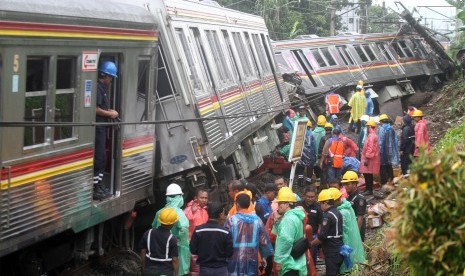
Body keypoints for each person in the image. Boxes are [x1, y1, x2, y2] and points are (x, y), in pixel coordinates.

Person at [225, 193, 273, 275]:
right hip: (252, 259)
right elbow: (264, 241)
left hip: (234, 260)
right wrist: (263, 256)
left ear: (237, 204)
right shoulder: (257, 220)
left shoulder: (231, 220)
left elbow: (225, 240)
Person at [93, 61, 119, 200]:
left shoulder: (102, 88)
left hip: (102, 128)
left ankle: (99, 184)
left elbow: (101, 108)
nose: (111, 80)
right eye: (111, 77)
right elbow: (95, 109)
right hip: (98, 129)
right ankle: (95, 188)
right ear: (106, 76)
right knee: (99, 158)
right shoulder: (97, 88)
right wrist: (110, 114)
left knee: (102, 158)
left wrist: (110, 111)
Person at [152, 184, 190, 275]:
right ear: (179, 197)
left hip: (161, 249)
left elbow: (154, 227)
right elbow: (184, 229)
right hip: (177, 250)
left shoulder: (159, 212)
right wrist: (181, 242)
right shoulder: (179, 213)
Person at [328, 187, 366, 273]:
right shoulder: (346, 204)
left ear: (337, 200)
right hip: (353, 239)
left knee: (347, 263)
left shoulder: (342, 212)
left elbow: (343, 232)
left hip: (347, 241)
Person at [190, 202, 233, 275]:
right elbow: (229, 253)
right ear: (220, 214)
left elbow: (193, 250)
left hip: (204, 269)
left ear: (207, 213)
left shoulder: (198, 230)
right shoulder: (226, 232)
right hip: (221, 269)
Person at [273, 187, 308, 275]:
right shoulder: (295, 216)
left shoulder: (288, 220)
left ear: (287, 204)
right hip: (297, 262)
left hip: (289, 264)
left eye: (280, 203)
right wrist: (277, 222)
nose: (278, 206)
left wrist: (279, 261)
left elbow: (285, 241)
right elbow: (275, 233)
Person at [310, 189, 344, 276]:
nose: (320, 206)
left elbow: (322, 236)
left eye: (320, 203)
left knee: (331, 273)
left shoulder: (327, 216)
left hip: (331, 250)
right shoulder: (337, 212)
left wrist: (310, 244)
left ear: (325, 203)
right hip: (338, 247)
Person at [139, 207, 179, 276]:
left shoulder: (148, 233)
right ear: (173, 223)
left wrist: (143, 268)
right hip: (165, 272)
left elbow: (142, 251)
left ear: (160, 221)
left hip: (149, 271)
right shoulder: (172, 239)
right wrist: (177, 274)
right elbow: (174, 260)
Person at [296, 186, 322, 269]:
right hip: (299, 234)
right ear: (304, 196)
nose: (310, 199)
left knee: (312, 254)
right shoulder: (299, 204)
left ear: (315, 196)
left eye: (312, 197)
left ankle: (312, 269)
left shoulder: (318, 207)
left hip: (313, 235)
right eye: (308, 196)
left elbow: (320, 223)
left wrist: (319, 236)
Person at [342, 172, 367, 241]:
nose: (345, 187)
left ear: (354, 184)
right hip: (350, 226)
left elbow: (360, 217)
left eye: (348, 184)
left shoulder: (359, 198)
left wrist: (356, 234)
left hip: (356, 227)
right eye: (344, 184)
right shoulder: (349, 195)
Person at [359, 120, 380, 195]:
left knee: (367, 174)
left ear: (370, 127)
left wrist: (367, 158)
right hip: (370, 158)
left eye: (368, 126)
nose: (367, 128)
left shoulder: (371, 136)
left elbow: (370, 148)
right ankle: (368, 189)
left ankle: (369, 189)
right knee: (367, 174)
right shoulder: (373, 135)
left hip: (369, 158)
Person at [377, 114, 399, 185]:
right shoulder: (391, 128)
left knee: (383, 167)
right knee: (389, 166)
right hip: (390, 151)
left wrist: (379, 151)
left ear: (381, 121)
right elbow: (395, 139)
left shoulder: (382, 129)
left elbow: (380, 141)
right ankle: (391, 181)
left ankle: (384, 182)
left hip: (383, 151)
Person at [296, 121, 317, 186]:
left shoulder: (300, 134)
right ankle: (308, 181)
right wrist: (315, 155)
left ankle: (300, 181)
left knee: (301, 166)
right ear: (310, 127)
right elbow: (314, 145)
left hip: (301, 153)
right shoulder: (311, 134)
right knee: (310, 167)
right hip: (310, 154)